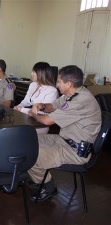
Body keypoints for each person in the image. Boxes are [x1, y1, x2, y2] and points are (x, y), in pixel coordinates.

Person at [27, 65, 101, 201]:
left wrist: (33, 114)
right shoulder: (72, 94)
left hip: (75, 150)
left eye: (59, 82)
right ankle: (40, 179)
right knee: (28, 141)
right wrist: (41, 105)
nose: (56, 85)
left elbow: (47, 121)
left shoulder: (80, 101)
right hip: (64, 140)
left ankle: (48, 186)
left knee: (32, 154)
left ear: (69, 84)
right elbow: (53, 106)